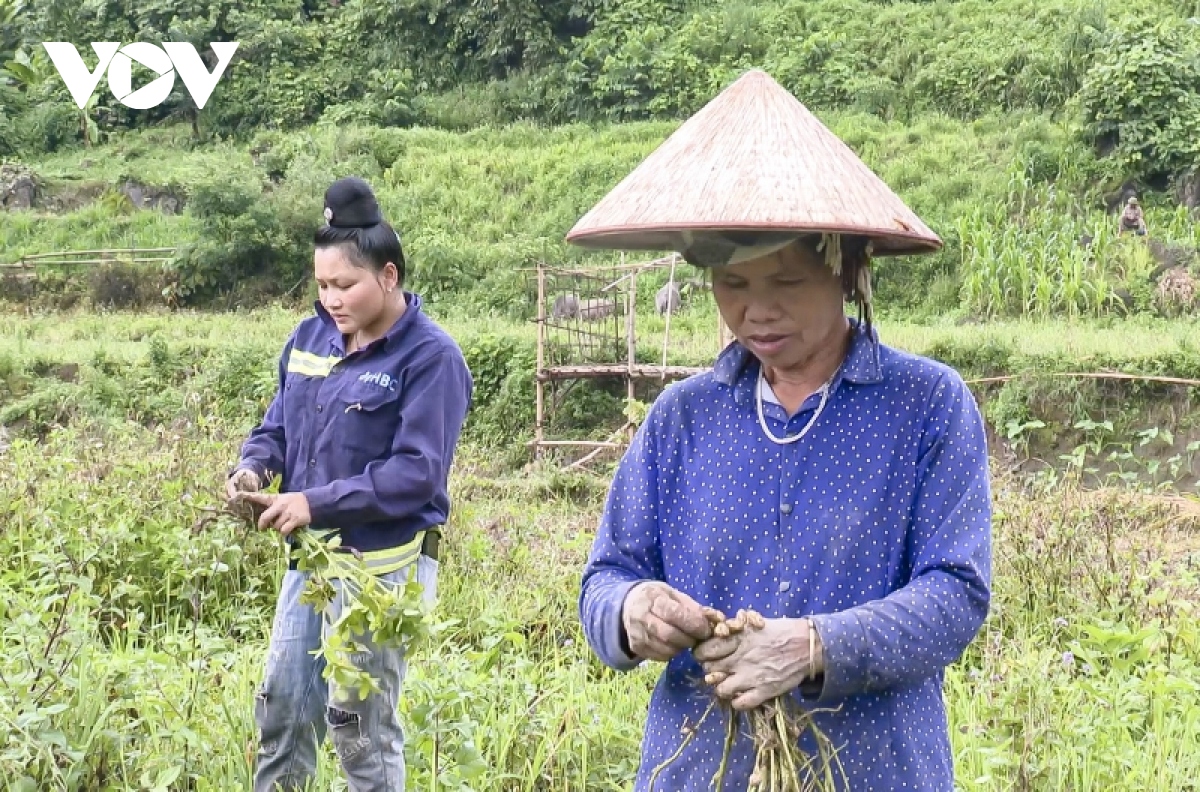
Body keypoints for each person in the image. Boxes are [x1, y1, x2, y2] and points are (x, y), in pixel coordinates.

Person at [568, 70, 992, 791]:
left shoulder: (926, 406)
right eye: (733, 286)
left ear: (847, 273)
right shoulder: (683, 417)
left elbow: (954, 594)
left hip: (873, 768)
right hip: (705, 765)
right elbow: (607, 576)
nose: (756, 312)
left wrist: (813, 646)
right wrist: (633, 611)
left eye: (786, 284)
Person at [226, 176, 474, 792]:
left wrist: (311, 502)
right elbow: (278, 424)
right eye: (322, 284)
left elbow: (416, 474)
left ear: (388, 277)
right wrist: (253, 468)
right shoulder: (309, 338)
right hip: (309, 567)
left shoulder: (429, 357)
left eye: (345, 285)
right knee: (282, 705)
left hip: (379, 573)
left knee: (356, 725)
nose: (331, 299)